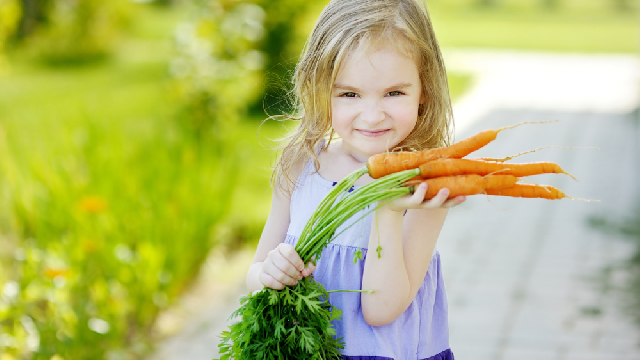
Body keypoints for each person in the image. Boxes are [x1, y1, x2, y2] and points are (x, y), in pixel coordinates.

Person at [246, 0, 465, 358]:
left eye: (394, 93)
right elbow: (254, 277)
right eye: (349, 94)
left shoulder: (425, 186)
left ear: (424, 89)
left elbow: (381, 311)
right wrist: (270, 273)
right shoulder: (302, 165)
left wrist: (388, 213)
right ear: (320, 89)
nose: (373, 115)